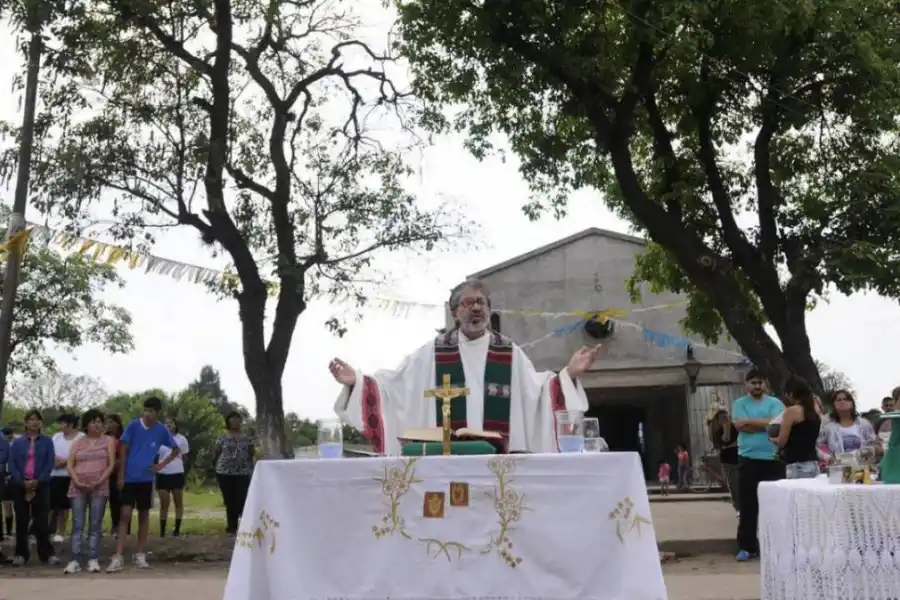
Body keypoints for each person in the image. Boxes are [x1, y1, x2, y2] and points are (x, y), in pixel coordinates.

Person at [331, 279, 599, 455]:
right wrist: (356, 381)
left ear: (489, 310)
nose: (475, 309)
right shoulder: (432, 352)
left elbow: (538, 393)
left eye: (481, 303)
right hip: (445, 461)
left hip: (498, 461)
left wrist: (568, 375)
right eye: (467, 303)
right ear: (455, 312)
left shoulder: (508, 352)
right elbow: (394, 387)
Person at [107, 397, 180, 572]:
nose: (148, 414)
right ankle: (118, 556)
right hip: (130, 477)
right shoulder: (133, 425)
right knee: (124, 515)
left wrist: (160, 465)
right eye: (146, 410)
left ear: (158, 413)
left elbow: (176, 449)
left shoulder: (161, 430)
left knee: (144, 516)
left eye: (152, 411)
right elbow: (123, 449)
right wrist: (121, 475)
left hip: (146, 479)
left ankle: (140, 554)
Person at [732, 368, 784, 562]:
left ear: (765, 384)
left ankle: (776, 545)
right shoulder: (739, 404)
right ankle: (747, 547)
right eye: (753, 382)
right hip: (748, 458)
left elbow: (777, 425)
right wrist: (765, 424)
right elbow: (739, 425)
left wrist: (750, 423)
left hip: (773, 458)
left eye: (760, 382)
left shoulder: (775, 403)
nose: (756, 386)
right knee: (748, 505)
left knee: (774, 505)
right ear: (747, 385)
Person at [64, 409, 116, 574]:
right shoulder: (78, 442)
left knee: (95, 525)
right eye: (93, 422)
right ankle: (74, 560)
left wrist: (99, 481)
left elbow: (111, 464)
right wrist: (77, 481)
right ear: (86, 425)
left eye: (99, 422)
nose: (97, 425)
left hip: (99, 487)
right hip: (77, 487)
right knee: (78, 524)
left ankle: (93, 559)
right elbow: (70, 465)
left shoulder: (108, 441)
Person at [7, 410, 58, 566]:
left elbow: (50, 463)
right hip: (20, 484)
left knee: (42, 521)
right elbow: (12, 463)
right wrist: (22, 481)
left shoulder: (47, 441)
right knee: (22, 521)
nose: (34, 423)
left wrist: (38, 480)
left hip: (41, 485)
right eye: (30, 420)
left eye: (37, 420)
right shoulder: (18, 442)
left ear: (40, 423)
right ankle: (21, 554)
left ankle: (47, 554)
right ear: (26, 423)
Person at [771, 377, 821, 479]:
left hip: (796, 463)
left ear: (790, 394)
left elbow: (782, 441)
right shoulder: (815, 411)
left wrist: (772, 439)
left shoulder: (791, 412)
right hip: (813, 463)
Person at [215, 412, 255, 536]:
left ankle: (243, 526)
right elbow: (216, 452)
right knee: (229, 500)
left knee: (241, 500)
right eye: (232, 420)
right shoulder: (222, 436)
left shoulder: (246, 437)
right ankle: (232, 528)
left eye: (237, 419)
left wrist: (246, 464)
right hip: (224, 473)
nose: (235, 422)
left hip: (242, 473)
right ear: (228, 422)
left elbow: (251, 452)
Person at [50, 413, 83, 543]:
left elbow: (81, 456)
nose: (60, 426)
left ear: (70, 424)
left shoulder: (81, 437)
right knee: (57, 506)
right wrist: (57, 461)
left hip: (73, 476)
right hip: (56, 475)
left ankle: (75, 531)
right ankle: (58, 531)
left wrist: (66, 462)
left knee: (73, 505)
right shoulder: (56, 437)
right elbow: (51, 452)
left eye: (62, 423)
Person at [156, 418, 190, 537]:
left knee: (178, 502)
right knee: (164, 503)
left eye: (171, 423)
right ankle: (162, 531)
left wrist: (184, 473)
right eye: (166, 423)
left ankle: (177, 530)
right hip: (162, 473)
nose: (169, 425)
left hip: (177, 473)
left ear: (175, 425)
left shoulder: (181, 439)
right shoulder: (159, 439)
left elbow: (185, 458)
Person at [819, 389, 878, 457]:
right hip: (839, 465)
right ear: (833, 405)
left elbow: (873, 442)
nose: (842, 401)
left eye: (846, 399)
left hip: (864, 465)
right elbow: (818, 446)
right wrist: (828, 456)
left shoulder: (864, 424)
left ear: (852, 403)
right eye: (838, 400)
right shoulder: (827, 427)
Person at [709, 410, 740, 516]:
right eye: (722, 417)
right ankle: (738, 508)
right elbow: (724, 442)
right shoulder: (718, 431)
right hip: (728, 461)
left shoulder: (736, 427)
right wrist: (726, 427)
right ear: (718, 420)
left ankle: (744, 506)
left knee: (742, 484)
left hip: (740, 459)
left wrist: (729, 446)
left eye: (726, 417)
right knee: (733, 485)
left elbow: (738, 442)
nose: (725, 419)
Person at [105, 414, 124, 536]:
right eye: (107, 422)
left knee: (121, 501)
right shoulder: (104, 437)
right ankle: (114, 525)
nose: (109, 424)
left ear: (118, 424)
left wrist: (118, 462)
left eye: (112, 422)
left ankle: (122, 527)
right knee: (112, 500)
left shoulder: (123, 437)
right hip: (107, 473)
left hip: (120, 472)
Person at [1, 426, 13, 542]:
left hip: (12, 477)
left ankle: (9, 531)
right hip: (4, 476)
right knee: (6, 505)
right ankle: (8, 531)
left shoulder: (13, 446)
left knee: (10, 505)